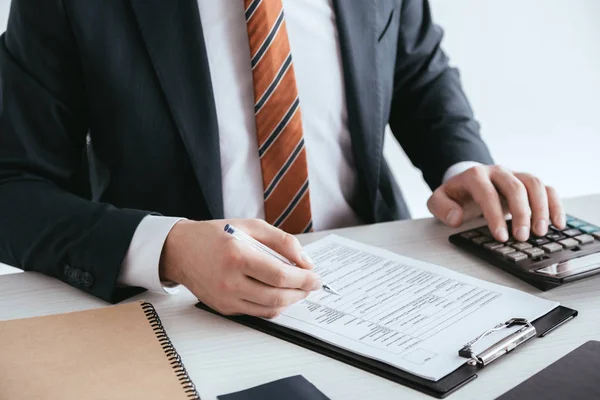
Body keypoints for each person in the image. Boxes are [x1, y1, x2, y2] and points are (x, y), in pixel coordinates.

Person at [0, 0, 564, 317]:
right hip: (181, 313)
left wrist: (461, 165)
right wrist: (168, 249)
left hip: (380, 290)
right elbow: (14, 189)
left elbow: (415, 69)